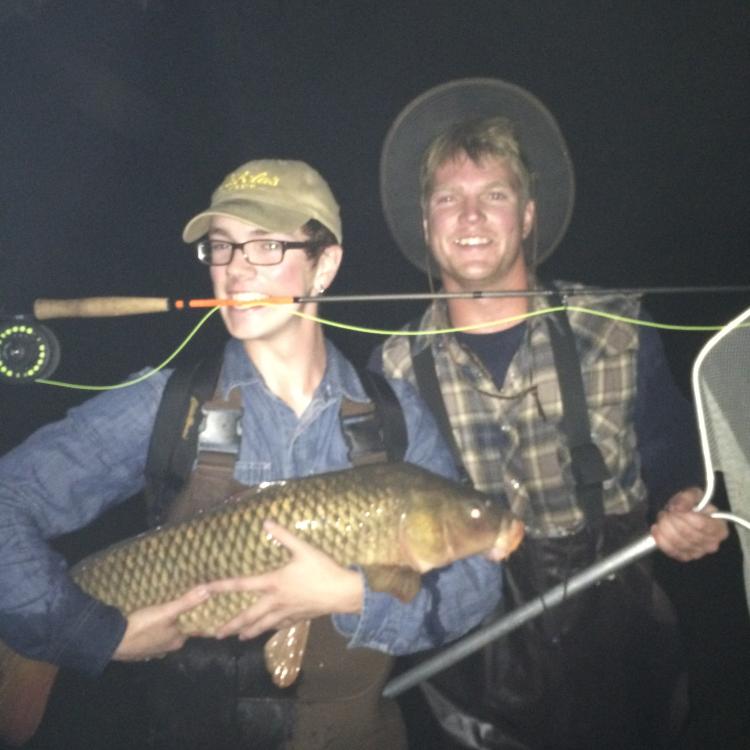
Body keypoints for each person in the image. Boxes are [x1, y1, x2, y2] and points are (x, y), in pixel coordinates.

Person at [0, 159, 507, 750]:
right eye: (222, 248)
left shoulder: (395, 418)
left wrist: (345, 596)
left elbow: (477, 585)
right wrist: (88, 633)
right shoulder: (168, 403)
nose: (236, 271)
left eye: (266, 245)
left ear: (325, 265)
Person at [370, 79, 729, 750]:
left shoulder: (616, 327)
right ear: (426, 225)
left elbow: (679, 462)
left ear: (528, 214)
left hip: (620, 659)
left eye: (494, 196)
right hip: (469, 683)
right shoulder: (390, 369)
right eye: (449, 199)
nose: (470, 217)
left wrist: (692, 509)